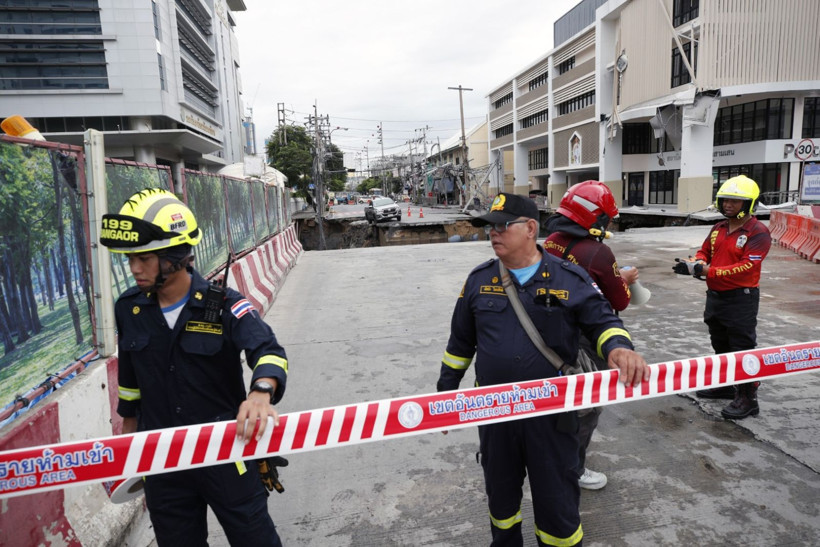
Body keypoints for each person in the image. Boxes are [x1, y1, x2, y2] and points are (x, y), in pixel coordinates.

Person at [437, 192, 649, 546]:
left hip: (552, 416)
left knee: (558, 505)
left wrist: (619, 348)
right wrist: (444, 399)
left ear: (530, 228)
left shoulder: (569, 278)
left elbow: (602, 321)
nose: (494, 233)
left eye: (503, 226)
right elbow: (459, 346)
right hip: (496, 414)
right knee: (501, 500)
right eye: (490, 227)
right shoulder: (478, 281)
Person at [99, 188, 288, 546]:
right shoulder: (129, 308)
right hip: (164, 463)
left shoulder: (224, 306)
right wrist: (129, 437)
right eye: (130, 259)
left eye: (145, 258)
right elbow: (130, 382)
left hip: (227, 456)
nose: (134, 268)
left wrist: (261, 392)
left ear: (175, 257)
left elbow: (268, 351)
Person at [544, 180, 639, 491]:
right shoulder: (598, 252)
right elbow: (620, 300)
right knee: (587, 408)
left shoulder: (552, 241)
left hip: (551, 332)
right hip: (587, 338)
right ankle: (574, 469)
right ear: (597, 218)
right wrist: (622, 277)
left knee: (559, 402)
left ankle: (552, 456)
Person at [674, 175, 771, 419]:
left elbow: (747, 267)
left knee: (742, 347)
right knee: (720, 343)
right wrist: (696, 262)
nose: (728, 205)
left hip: (741, 298)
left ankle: (748, 398)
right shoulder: (718, 228)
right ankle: (727, 385)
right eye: (725, 200)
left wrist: (706, 271)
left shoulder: (758, 232)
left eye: (735, 202)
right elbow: (704, 251)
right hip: (716, 296)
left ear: (748, 204)